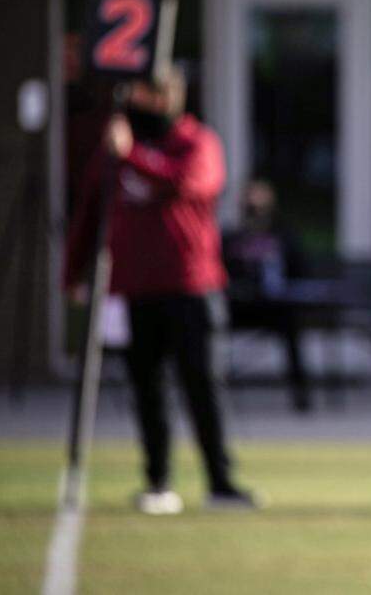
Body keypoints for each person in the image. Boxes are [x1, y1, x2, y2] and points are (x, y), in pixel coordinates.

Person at [64, 65, 257, 514]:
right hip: (134, 289)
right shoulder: (115, 149)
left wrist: (131, 155)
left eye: (154, 91)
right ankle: (157, 482)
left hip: (192, 287)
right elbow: (89, 211)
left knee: (202, 386)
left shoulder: (197, 141)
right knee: (146, 388)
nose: (145, 99)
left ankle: (221, 482)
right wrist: (72, 274)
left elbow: (185, 182)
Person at [223, 179, 313, 412]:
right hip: (239, 307)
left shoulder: (284, 236)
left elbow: (300, 271)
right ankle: (215, 392)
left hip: (274, 308)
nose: (254, 207)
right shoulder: (233, 238)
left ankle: (300, 393)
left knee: (290, 325)